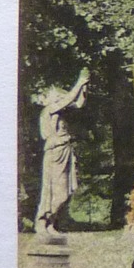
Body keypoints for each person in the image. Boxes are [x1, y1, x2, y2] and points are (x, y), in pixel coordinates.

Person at [34, 68, 89, 239]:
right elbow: (69, 99)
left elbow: (78, 103)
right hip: (54, 152)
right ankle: (42, 221)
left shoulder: (61, 110)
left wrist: (85, 85)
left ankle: (51, 223)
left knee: (64, 193)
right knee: (53, 191)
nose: (59, 98)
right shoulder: (49, 110)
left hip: (65, 149)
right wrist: (79, 82)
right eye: (56, 96)